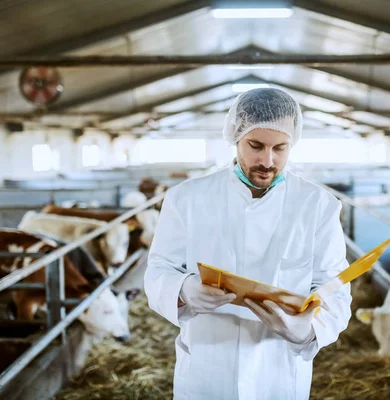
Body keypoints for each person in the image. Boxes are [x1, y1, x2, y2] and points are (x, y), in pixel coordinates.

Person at [144, 88, 352, 400]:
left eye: (280, 148)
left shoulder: (318, 205)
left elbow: (334, 287)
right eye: (256, 145)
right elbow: (158, 271)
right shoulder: (186, 199)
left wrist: (307, 330)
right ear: (235, 136)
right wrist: (184, 290)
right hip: (207, 366)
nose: (267, 160)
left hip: (279, 370)